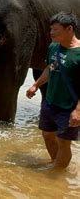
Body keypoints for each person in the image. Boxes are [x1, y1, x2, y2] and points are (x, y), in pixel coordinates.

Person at [26, 12, 80, 169]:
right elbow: (51, 68)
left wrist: (77, 111)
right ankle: (56, 164)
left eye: (55, 30)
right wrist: (36, 84)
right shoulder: (53, 47)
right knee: (47, 135)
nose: (51, 33)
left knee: (63, 141)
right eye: (51, 29)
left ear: (69, 29)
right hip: (50, 102)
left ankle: (56, 174)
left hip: (69, 106)